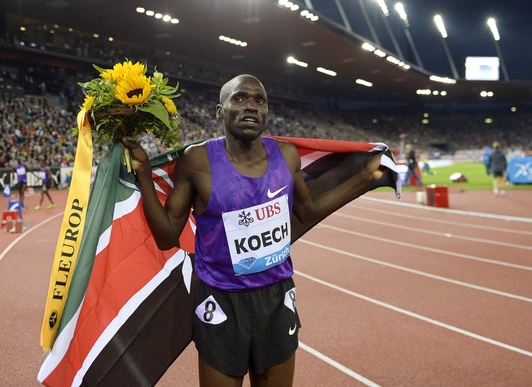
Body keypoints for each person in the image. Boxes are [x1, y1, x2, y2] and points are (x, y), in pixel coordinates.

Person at [122, 74, 384, 386]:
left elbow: (307, 210)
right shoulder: (197, 160)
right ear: (220, 111)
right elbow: (167, 236)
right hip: (220, 299)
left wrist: (364, 178)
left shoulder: (286, 156)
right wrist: (143, 175)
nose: (251, 107)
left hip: (275, 297)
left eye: (259, 101)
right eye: (240, 98)